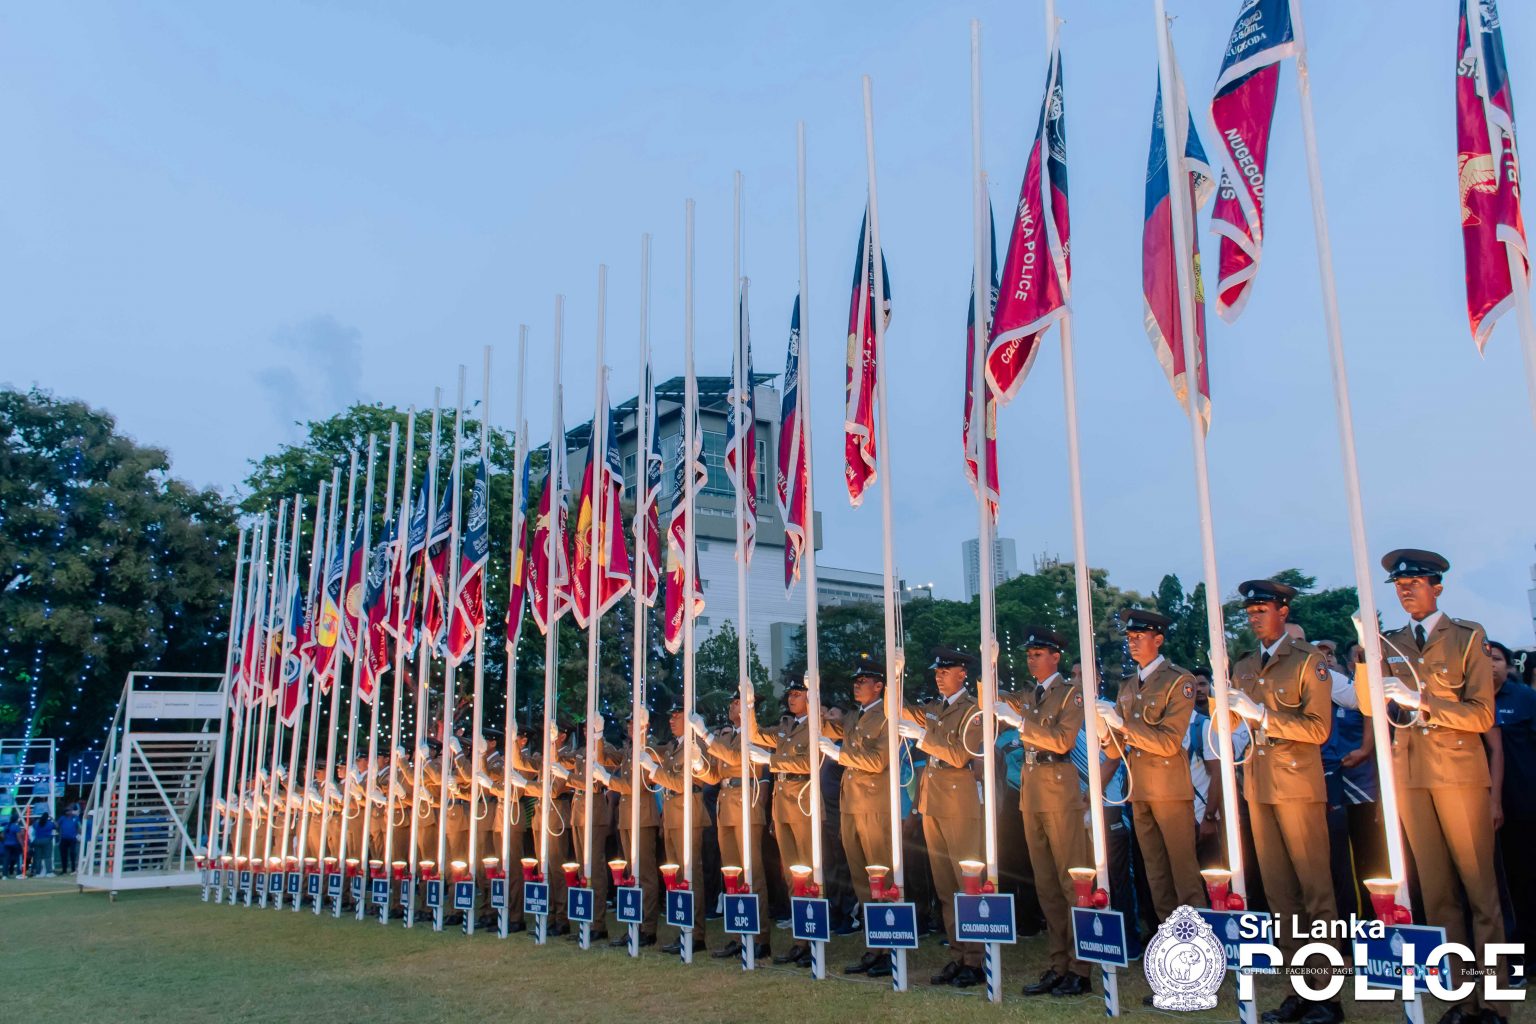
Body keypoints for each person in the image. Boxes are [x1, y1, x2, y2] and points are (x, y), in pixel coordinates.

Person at [1376, 549, 1504, 1024]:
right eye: (1399, 586)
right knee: (1438, 895)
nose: (1405, 591)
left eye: (1414, 583)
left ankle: (1493, 1003)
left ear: (1437, 587)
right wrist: (1369, 662)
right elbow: (1373, 708)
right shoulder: (1390, 643)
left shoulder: (1467, 637)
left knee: (1481, 893)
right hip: (1411, 776)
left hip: (1458, 774)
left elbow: (1482, 714)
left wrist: (1423, 701)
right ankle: (1461, 999)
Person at [1227, 579, 1340, 1024]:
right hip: (1259, 784)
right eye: (1250, 611)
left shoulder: (1308, 661)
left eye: (1262, 610)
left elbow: (1318, 728)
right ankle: (1299, 989)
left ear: (1283, 611)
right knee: (1279, 895)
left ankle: (1326, 995)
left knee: (1316, 892)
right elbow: (1232, 724)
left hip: (1297, 783)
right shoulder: (1244, 664)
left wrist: (1262, 716)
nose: (1254, 617)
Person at [997, 628, 1093, 998]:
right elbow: (989, 697)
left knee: (1071, 881)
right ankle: (1058, 963)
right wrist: (989, 664)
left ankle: (1080, 967)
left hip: (1058, 784)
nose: (1031, 659)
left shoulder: (1071, 693)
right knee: (1046, 884)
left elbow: (1063, 740)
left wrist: (1020, 723)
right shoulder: (1029, 695)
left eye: (1038, 653)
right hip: (1032, 788)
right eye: (1028, 654)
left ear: (1055, 656)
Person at [1097, 609, 1205, 922]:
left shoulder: (1179, 680)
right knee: (1155, 872)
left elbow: (1169, 741)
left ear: (1158, 640)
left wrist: (1122, 725)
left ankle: (1196, 937)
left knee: (1183, 871)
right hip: (1139, 788)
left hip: (1170, 788)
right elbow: (1116, 748)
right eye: (1130, 637)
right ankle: (1167, 933)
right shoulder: (1129, 685)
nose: (1132, 642)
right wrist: (1105, 732)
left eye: (1139, 636)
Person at [901, 646, 986, 989]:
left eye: (945, 671)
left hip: (958, 799)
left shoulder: (973, 711)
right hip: (933, 799)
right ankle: (958, 953)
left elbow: (960, 754)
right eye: (937, 671)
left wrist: (923, 737)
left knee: (967, 884)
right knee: (946, 887)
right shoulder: (935, 708)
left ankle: (976, 959)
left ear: (962, 674)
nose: (939, 676)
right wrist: (895, 676)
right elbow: (896, 710)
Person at [821, 653, 893, 979]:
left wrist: (840, 753)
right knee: (862, 883)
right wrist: (811, 695)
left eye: (863, 681)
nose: (857, 685)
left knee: (881, 880)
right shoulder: (853, 717)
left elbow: (877, 761)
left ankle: (890, 946)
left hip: (873, 806)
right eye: (855, 681)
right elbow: (819, 724)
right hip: (850, 807)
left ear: (879, 686)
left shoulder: (886, 716)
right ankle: (874, 946)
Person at [690, 697, 771, 960]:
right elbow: (716, 775)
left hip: (746, 803)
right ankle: (738, 934)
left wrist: (705, 736)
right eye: (732, 703)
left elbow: (738, 758)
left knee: (752, 874)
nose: (731, 706)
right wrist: (700, 766)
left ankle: (760, 938)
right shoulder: (726, 737)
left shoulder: (755, 735)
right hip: (725, 805)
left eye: (737, 702)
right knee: (732, 874)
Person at [644, 702, 722, 954]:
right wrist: (642, 730)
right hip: (672, 814)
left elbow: (682, 783)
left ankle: (695, 934)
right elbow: (648, 751)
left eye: (677, 716)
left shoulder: (695, 746)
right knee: (676, 876)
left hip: (688, 811)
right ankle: (683, 927)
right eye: (671, 716)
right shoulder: (673, 747)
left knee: (690, 875)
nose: (671, 720)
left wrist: (654, 771)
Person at [756, 676, 816, 967]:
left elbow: (808, 763)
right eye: (790, 694)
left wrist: (773, 761)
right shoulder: (785, 726)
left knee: (810, 874)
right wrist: (749, 706)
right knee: (793, 876)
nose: (792, 698)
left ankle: (814, 938)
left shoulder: (816, 725)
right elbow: (756, 734)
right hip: (783, 804)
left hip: (803, 801)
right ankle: (801, 940)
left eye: (798, 694)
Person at [1490, 639, 1534, 987]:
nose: (1490, 664)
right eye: (1484, 659)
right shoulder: (1467, 702)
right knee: (1493, 889)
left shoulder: (1525, 699)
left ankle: (1525, 960)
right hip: (1477, 809)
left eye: (1497, 658)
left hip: (1522, 807)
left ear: (1508, 664)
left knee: (1524, 885)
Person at [599, 710, 661, 948]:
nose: (629, 726)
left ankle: (648, 928)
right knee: (631, 874)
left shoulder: (649, 749)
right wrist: (597, 736)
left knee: (645, 874)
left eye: (634, 722)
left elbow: (637, 785)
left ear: (645, 724)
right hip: (627, 816)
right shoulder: (629, 749)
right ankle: (634, 923)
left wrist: (608, 780)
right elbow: (603, 757)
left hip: (642, 816)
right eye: (628, 723)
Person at [57, 804, 81, 874]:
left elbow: (79, 827)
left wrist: (79, 835)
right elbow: (57, 825)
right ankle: (64, 870)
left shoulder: (76, 818)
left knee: (72, 854)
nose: (68, 812)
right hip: (64, 838)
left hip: (73, 838)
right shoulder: (62, 818)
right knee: (63, 854)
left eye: (70, 810)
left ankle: (73, 869)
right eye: (67, 811)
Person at [30, 812, 56, 876]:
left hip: (37, 840)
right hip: (47, 840)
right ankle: (49, 872)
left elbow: (33, 826)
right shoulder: (50, 823)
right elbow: (56, 826)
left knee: (38, 858)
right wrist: (52, 819)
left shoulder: (37, 823)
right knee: (48, 857)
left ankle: (38, 872)